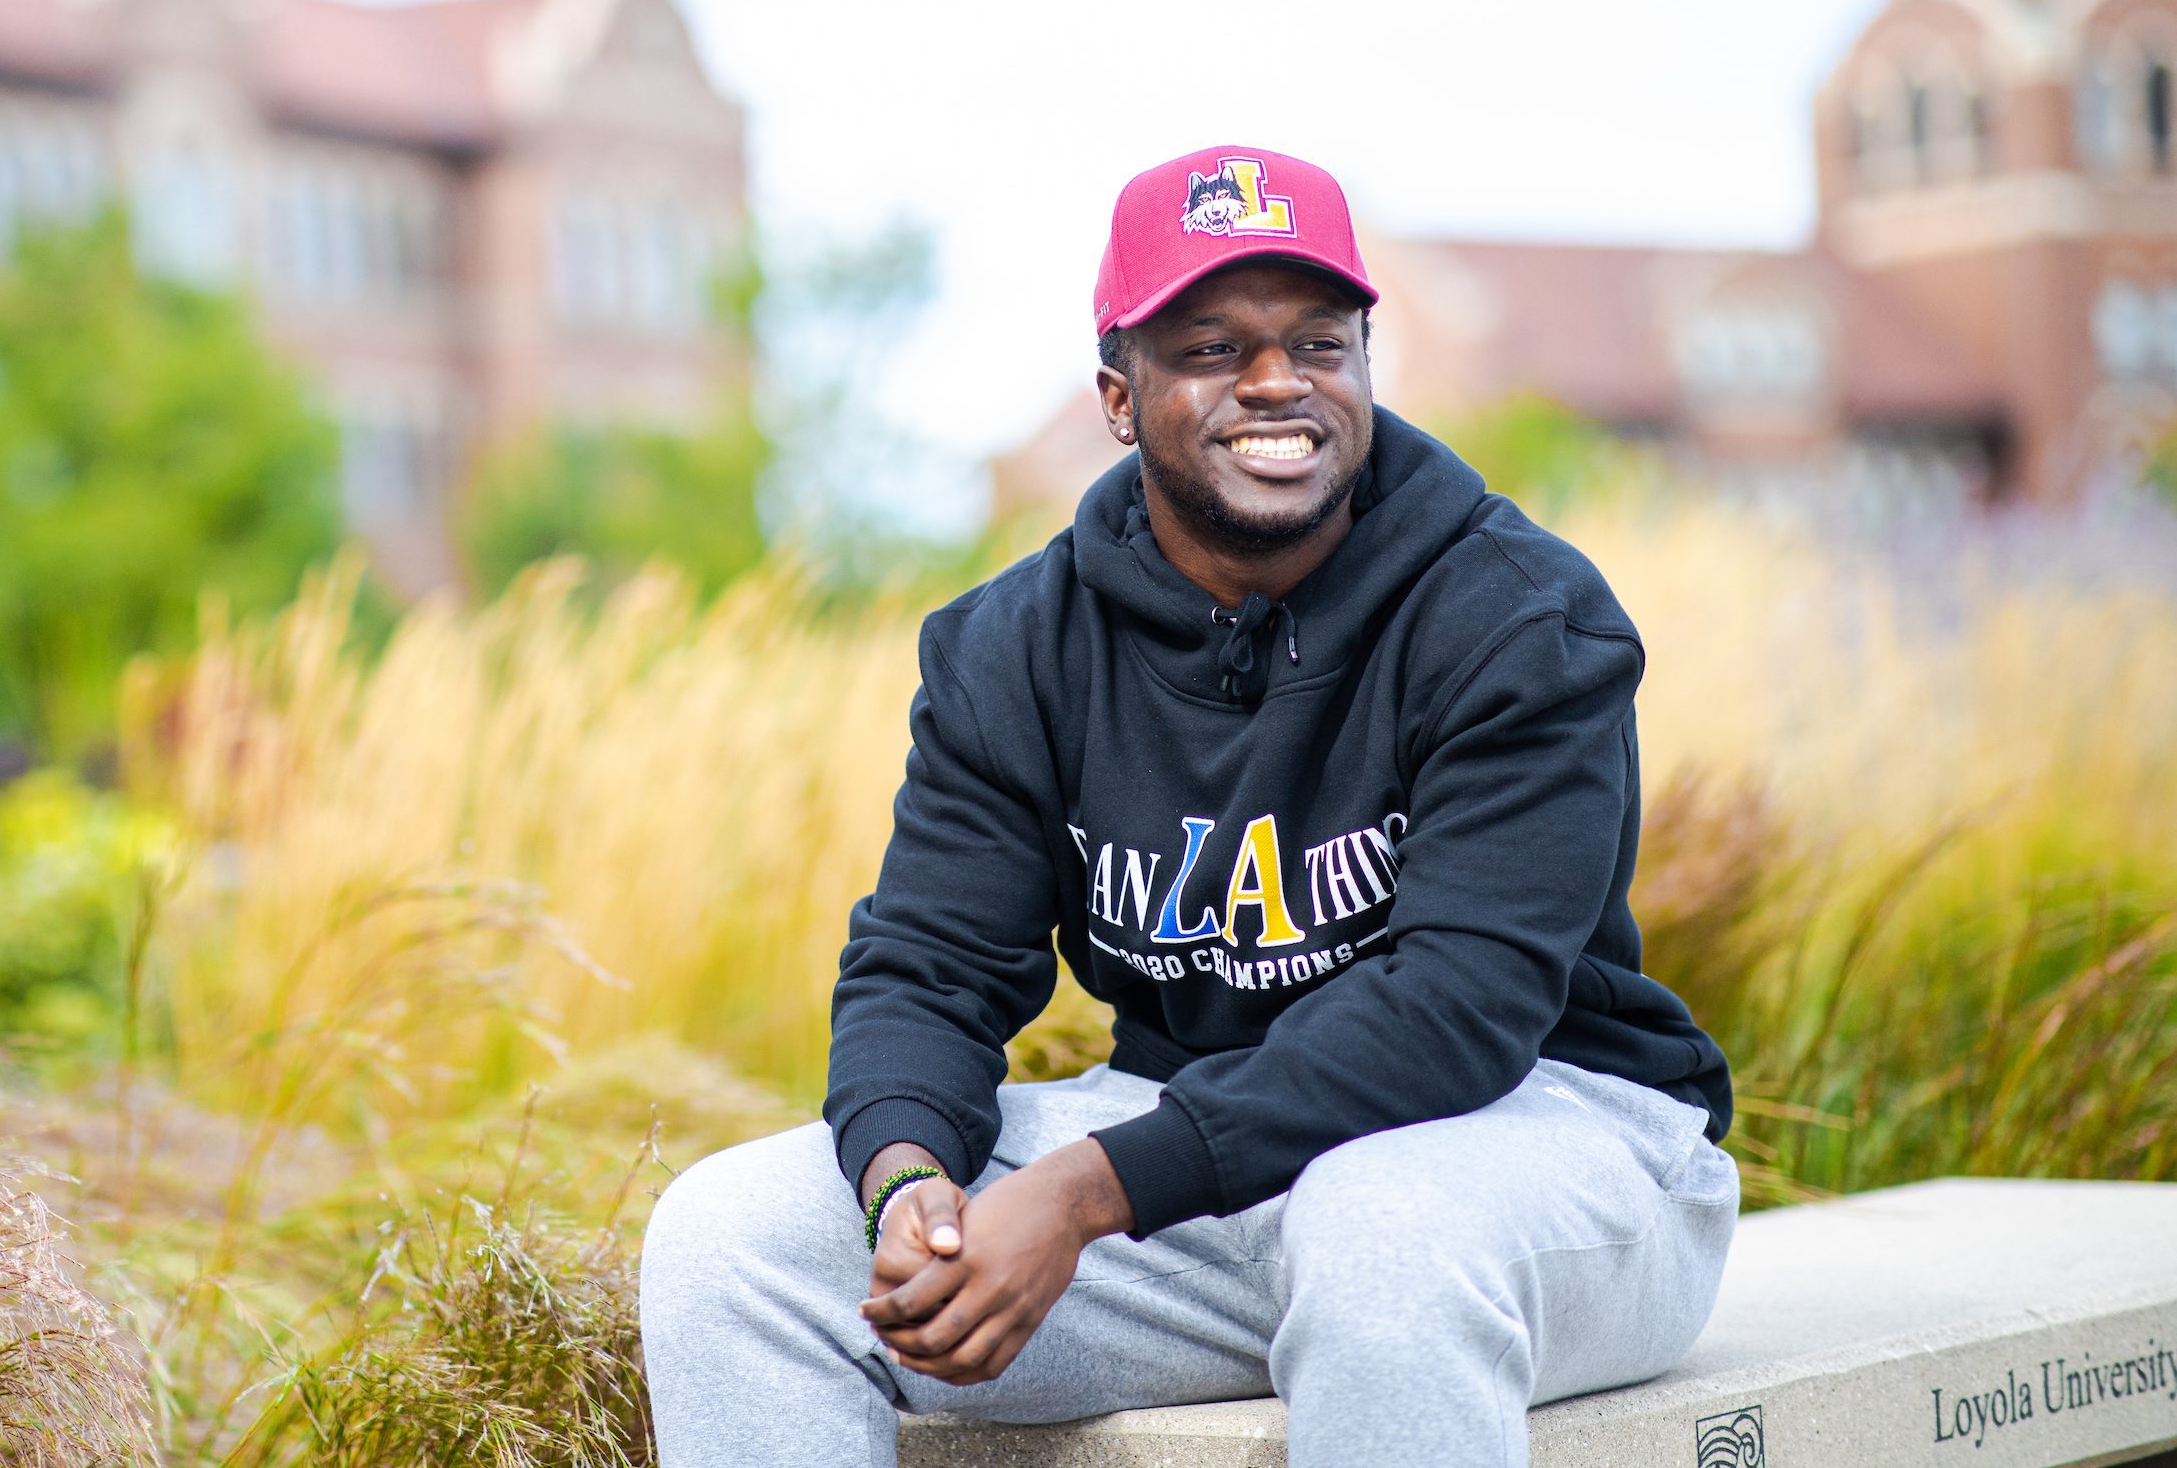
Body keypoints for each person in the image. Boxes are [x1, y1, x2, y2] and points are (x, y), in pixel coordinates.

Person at [639, 145, 1739, 1468]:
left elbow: (1463, 1010)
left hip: (1542, 1145)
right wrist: (908, 1183)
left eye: (1317, 342)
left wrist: (1090, 1193)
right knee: (728, 1241)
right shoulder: (1014, 649)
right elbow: (926, 971)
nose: (1276, 382)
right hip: (1201, 1186)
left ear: (1365, 370)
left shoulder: (1515, 615)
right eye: (1213, 346)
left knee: (1377, 1231)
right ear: (1120, 394)